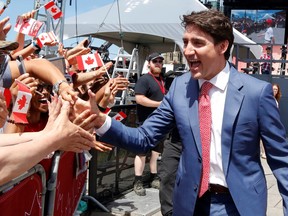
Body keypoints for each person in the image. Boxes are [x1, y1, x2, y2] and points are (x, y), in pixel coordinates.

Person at [91, 10, 288, 215]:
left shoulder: (256, 93)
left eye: (198, 43)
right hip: (190, 203)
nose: (187, 50)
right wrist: (100, 120)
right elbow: (144, 137)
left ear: (222, 46)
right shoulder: (179, 87)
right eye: (185, 42)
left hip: (239, 204)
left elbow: (281, 162)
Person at [133, 52, 166, 196]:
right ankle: (138, 181)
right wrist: (160, 104)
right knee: (141, 152)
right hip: (145, 123)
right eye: (155, 61)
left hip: (160, 123)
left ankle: (153, 177)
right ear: (149, 63)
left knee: (155, 153)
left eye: (160, 61)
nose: (158, 63)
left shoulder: (163, 80)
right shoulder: (144, 79)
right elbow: (139, 99)